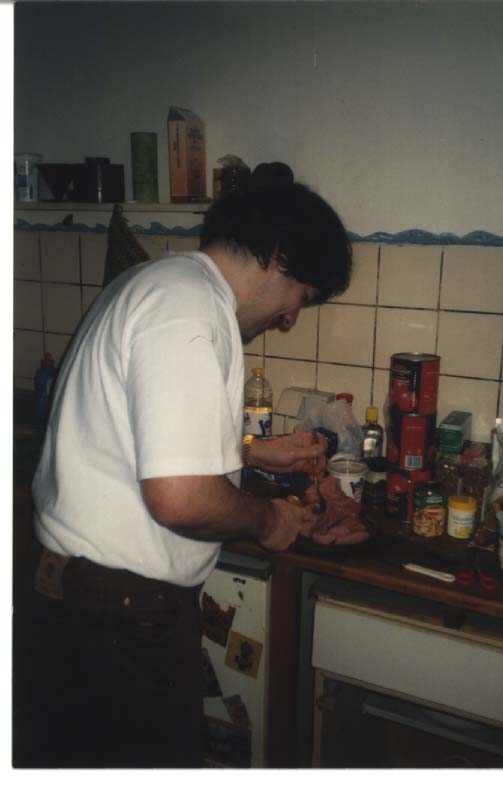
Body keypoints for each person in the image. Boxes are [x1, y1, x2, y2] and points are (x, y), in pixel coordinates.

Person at [13, 180, 352, 768]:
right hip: (118, 618)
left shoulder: (157, 283)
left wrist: (251, 452)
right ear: (278, 258)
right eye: (303, 295)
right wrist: (269, 519)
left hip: (83, 602)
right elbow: (181, 498)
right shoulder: (189, 309)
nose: (291, 316)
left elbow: (139, 438)